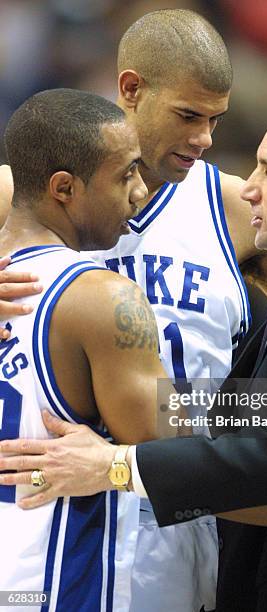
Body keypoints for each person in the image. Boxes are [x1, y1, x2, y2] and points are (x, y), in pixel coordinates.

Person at [0, 10, 267, 612]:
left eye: (216, 120)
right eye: (188, 116)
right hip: (53, 528)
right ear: (132, 89)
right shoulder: (20, 194)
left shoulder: (242, 214)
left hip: (190, 531)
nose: (206, 141)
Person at [0, 87, 170, 611]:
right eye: (126, 175)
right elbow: (183, 456)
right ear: (64, 188)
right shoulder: (102, 297)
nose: (141, 192)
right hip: (51, 591)